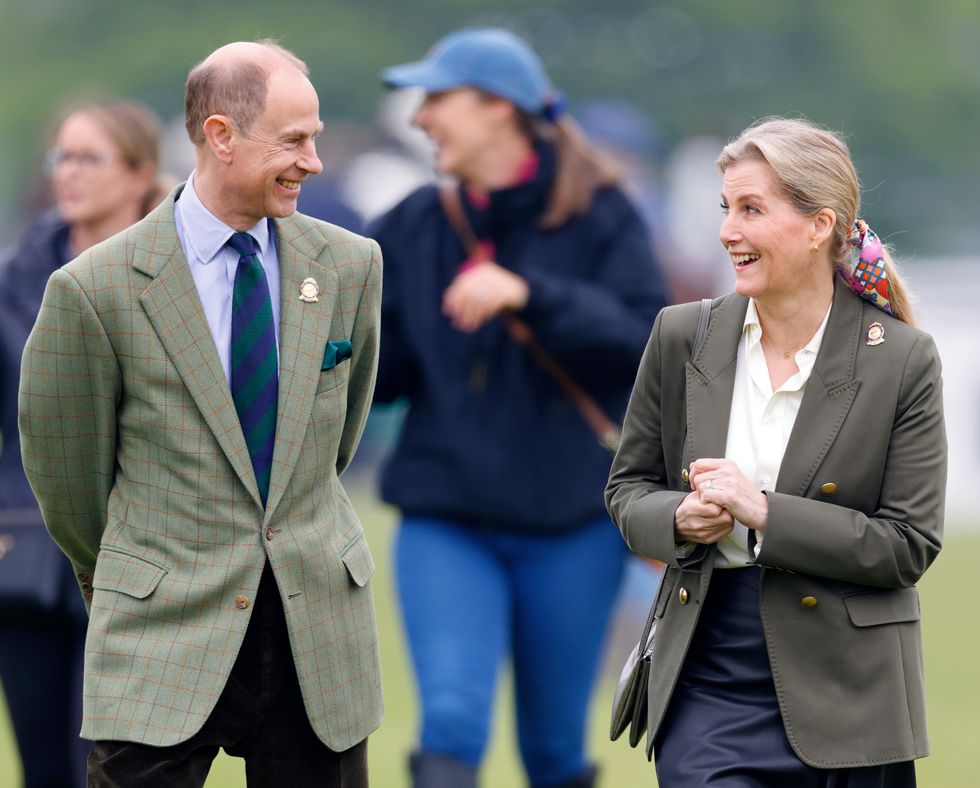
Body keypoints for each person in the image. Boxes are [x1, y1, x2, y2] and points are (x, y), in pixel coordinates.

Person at [18, 40, 382, 787]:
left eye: (313, 138)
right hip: (161, 634)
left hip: (316, 635)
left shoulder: (350, 265)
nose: (313, 161)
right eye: (293, 140)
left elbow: (332, 447)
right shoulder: (93, 290)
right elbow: (68, 479)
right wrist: (136, 571)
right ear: (220, 136)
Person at [605, 116, 946, 786]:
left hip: (856, 692)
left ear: (820, 225)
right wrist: (676, 519)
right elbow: (627, 491)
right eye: (726, 209)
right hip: (708, 674)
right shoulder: (680, 336)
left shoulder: (902, 358)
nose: (729, 230)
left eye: (752, 210)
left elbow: (907, 545)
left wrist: (762, 511)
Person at [372, 28, 669, 788]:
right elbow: (385, 372)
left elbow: (648, 341)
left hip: (571, 526)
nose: (420, 117)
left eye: (437, 98)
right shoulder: (412, 224)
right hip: (445, 520)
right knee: (451, 723)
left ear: (499, 109)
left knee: (552, 750)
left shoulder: (604, 215)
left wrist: (531, 295)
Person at [0, 98, 167, 788]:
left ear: (140, 175)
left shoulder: (180, 275)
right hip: (27, 553)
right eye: (60, 157)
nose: (68, 173)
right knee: (45, 769)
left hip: (147, 558)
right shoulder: (13, 280)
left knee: (118, 766)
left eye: (88, 157)